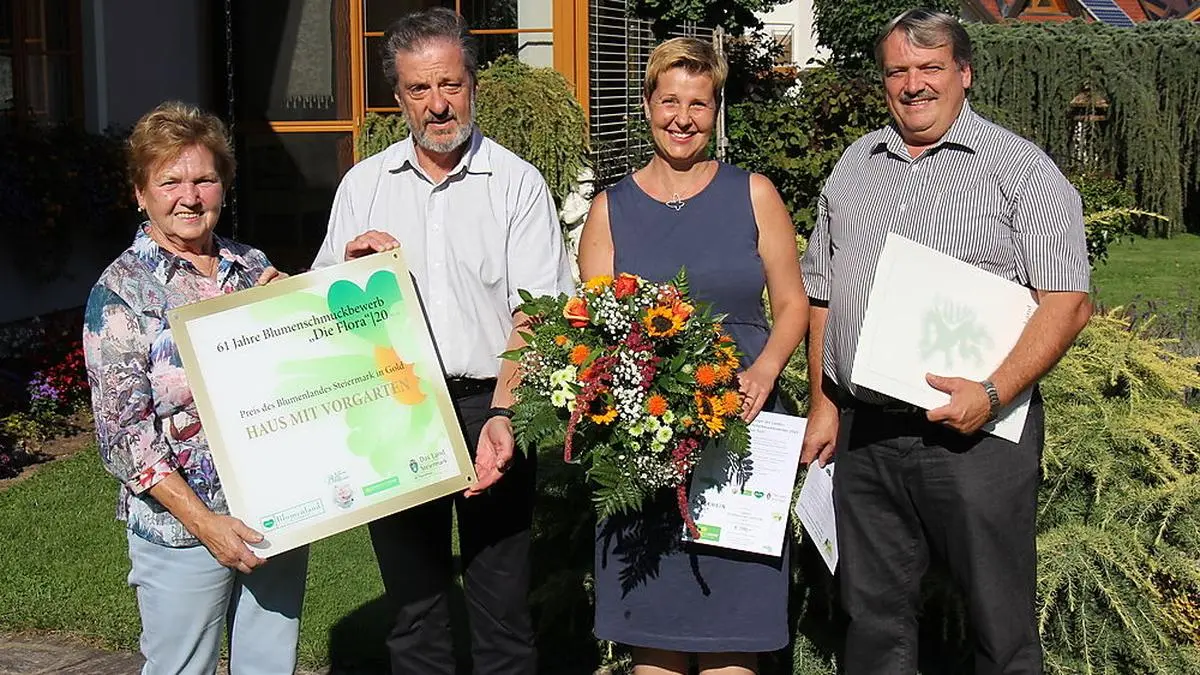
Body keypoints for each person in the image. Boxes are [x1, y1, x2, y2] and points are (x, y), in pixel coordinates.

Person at [799, 8, 1093, 675]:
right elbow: (821, 291)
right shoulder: (854, 166)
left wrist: (993, 393)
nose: (913, 84)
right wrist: (823, 400)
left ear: (963, 73)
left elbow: (1068, 303)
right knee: (872, 625)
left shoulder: (1020, 170)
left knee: (999, 627)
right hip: (866, 434)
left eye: (930, 67)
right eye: (897, 70)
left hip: (976, 438)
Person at [310, 8, 573, 675]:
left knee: (502, 613)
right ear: (398, 98)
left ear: (473, 84)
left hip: (494, 404)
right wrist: (348, 267)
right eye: (420, 90)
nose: (438, 104)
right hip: (394, 411)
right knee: (413, 616)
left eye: (450, 84)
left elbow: (539, 312)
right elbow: (318, 310)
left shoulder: (517, 184)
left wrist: (508, 413)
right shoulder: (362, 186)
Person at [577, 37, 809, 675]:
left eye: (699, 104)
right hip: (645, 445)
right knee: (656, 633)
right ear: (647, 103)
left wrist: (763, 372)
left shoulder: (754, 194)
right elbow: (597, 331)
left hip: (745, 430)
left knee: (734, 637)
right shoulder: (609, 211)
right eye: (670, 100)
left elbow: (793, 304)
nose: (683, 118)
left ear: (716, 110)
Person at [83, 101, 307, 675]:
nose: (190, 195)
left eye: (205, 178)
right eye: (170, 181)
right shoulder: (121, 292)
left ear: (223, 186)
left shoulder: (251, 266)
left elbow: (295, 383)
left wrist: (297, 316)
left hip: (276, 512)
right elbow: (125, 438)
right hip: (183, 529)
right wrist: (206, 525)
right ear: (140, 192)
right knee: (182, 669)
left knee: (268, 665)